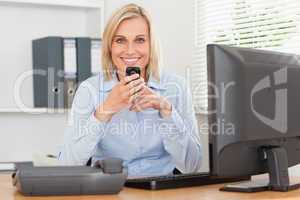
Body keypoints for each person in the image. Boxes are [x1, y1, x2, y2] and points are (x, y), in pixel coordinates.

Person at [58, 3, 202, 177]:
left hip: (162, 189)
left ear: (151, 45)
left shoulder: (176, 87)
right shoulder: (89, 89)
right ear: (110, 47)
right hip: (110, 189)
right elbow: (67, 164)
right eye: (120, 40)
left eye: (140, 40)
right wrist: (106, 110)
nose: (130, 51)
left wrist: (167, 112)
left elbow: (191, 166)